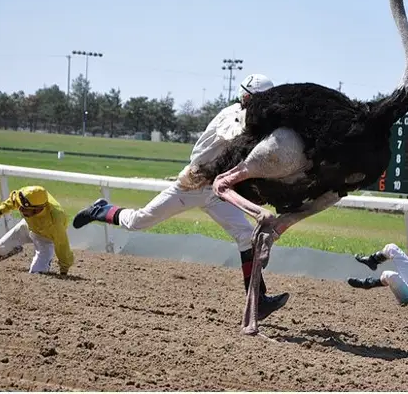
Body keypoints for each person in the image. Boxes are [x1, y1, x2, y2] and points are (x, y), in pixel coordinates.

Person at [72, 74, 289, 321]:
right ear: (250, 98)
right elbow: (236, 134)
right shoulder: (232, 116)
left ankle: (258, 301)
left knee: (246, 238)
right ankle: (101, 209)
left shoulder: (253, 117)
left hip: (218, 190)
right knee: (138, 222)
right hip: (191, 185)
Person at [0, 185, 75, 275]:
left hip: (46, 238)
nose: (20, 209)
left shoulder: (55, 221)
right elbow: (13, 201)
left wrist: (64, 268)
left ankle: (45, 264)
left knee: (36, 272)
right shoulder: (25, 196)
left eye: (24, 209)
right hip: (27, 226)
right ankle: (16, 248)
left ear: (38, 209)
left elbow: (62, 245)